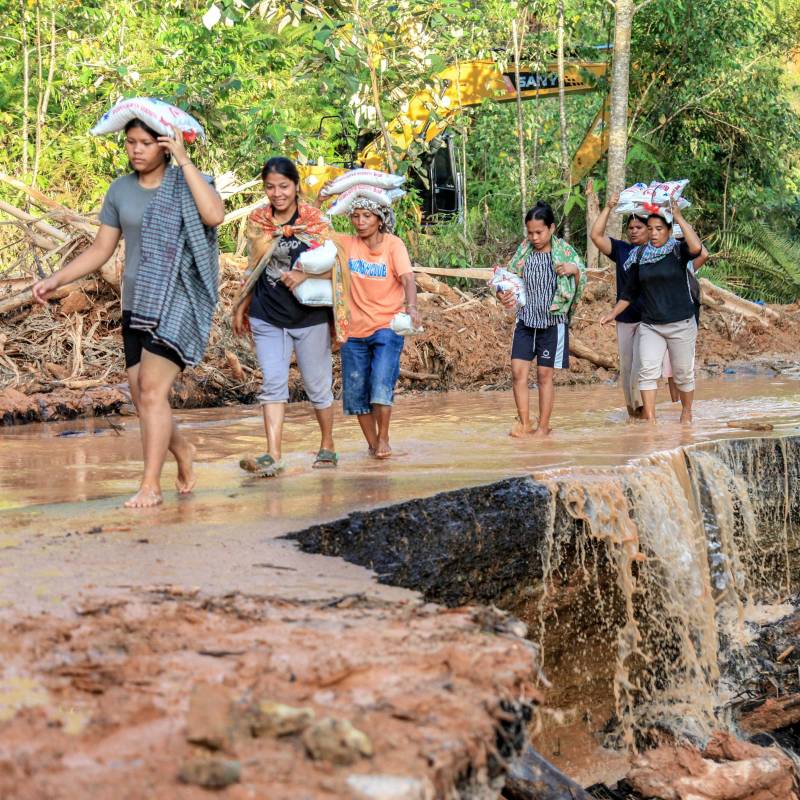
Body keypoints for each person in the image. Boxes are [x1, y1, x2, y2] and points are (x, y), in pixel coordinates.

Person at [33, 118, 224, 508]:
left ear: (165, 145)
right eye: (130, 142)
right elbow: (101, 250)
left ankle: (150, 485)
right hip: (137, 303)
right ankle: (183, 450)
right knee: (142, 398)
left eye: (145, 143)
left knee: (153, 392)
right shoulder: (120, 190)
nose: (136, 150)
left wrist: (185, 162)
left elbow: (214, 216)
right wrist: (56, 279)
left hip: (177, 303)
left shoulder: (188, 182)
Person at [232, 157, 351, 477]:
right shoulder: (259, 220)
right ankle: (272, 453)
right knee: (272, 384)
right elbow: (253, 266)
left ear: (296, 186)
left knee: (317, 387)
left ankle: (327, 444)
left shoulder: (314, 220)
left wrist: (302, 276)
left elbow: (339, 265)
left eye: (284, 186)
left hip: (308, 317)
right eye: (270, 187)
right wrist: (243, 301)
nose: (277, 193)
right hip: (267, 314)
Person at [600, 204, 703, 423]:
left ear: (668, 230)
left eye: (659, 229)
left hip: (681, 323)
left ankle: (686, 412)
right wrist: (612, 313)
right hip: (651, 325)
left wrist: (679, 218)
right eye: (651, 229)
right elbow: (630, 291)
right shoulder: (640, 255)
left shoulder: (677, 251)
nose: (654, 233)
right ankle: (651, 419)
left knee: (683, 373)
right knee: (646, 371)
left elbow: (696, 249)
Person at [337, 198, 419, 459]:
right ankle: (373, 446)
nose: (360, 222)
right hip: (353, 331)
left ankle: (383, 438)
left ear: (380, 219)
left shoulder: (394, 245)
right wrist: (319, 200)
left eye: (367, 216)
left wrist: (413, 306)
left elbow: (407, 278)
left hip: (387, 325)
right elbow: (316, 231)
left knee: (381, 383)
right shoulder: (348, 244)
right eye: (356, 216)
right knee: (355, 391)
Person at [498, 201, 586, 438]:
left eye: (539, 232)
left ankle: (544, 426)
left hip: (552, 323)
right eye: (530, 232)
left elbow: (581, 281)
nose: (534, 237)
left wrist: (574, 270)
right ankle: (525, 422)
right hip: (526, 321)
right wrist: (503, 294)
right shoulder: (523, 251)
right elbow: (508, 281)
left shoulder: (564, 253)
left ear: (552, 228)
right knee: (518, 372)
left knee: (544, 376)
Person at [590, 192, 649, 417]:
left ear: (648, 230)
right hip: (624, 319)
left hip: (648, 319)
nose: (633, 231)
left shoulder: (656, 251)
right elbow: (596, 236)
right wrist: (607, 207)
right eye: (630, 228)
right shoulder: (622, 250)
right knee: (626, 371)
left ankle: (646, 414)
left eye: (638, 227)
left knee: (640, 369)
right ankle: (634, 416)